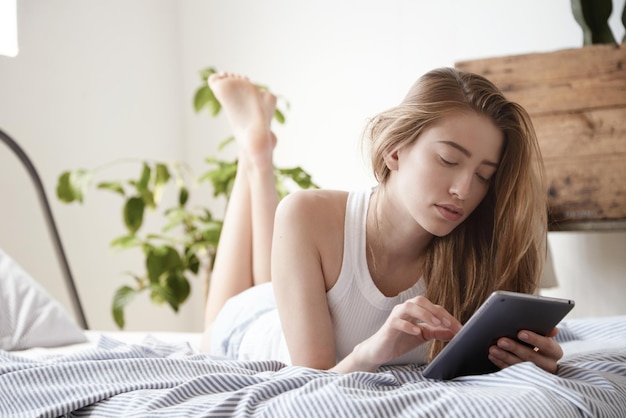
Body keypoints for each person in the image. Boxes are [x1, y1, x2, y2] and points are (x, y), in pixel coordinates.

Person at [200, 68, 563, 375]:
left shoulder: (478, 250)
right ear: (395, 150)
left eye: (484, 176)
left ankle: (256, 151)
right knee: (225, 315)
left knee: (274, 277)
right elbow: (310, 385)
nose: (464, 190)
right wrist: (372, 351)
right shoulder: (308, 215)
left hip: (296, 293)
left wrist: (528, 361)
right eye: (449, 160)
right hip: (253, 326)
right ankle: (255, 159)